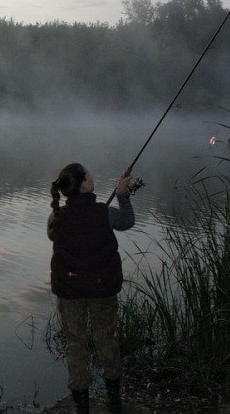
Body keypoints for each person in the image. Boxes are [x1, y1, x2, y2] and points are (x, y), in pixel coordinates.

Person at [47, 163, 134, 414]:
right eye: (89, 174)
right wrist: (122, 195)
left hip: (69, 291)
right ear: (84, 184)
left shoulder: (56, 217)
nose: (92, 176)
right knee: (105, 338)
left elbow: (55, 235)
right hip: (102, 289)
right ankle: (114, 401)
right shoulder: (104, 213)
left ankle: (82, 405)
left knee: (75, 344)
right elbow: (127, 221)